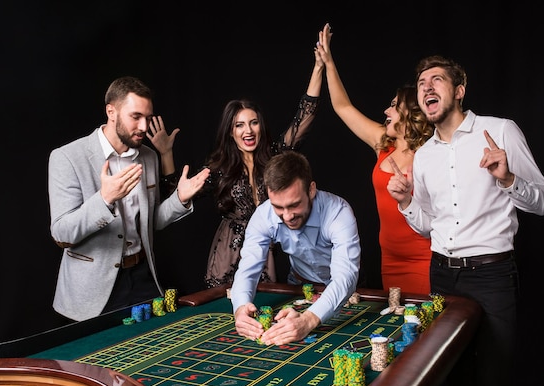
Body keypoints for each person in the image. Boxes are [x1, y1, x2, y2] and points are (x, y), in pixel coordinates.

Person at [387, 55, 544, 386]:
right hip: (443, 276)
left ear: (459, 90)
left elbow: (543, 202)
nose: (426, 87)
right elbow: (428, 225)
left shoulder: (500, 131)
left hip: (492, 276)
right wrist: (406, 203)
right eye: (421, 83)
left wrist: (508, 179)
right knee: (455, 382)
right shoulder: (425, 155)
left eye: (437, 80)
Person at [48, 76, 210, 322]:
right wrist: (105, 199)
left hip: (143, 277)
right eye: (136, 117)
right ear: (111, 112)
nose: (144, 126)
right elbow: (62, 233)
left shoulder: (148, 157)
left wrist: (180, 199)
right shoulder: (67, 157)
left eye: (147, 117)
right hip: (93, 290)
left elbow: (151, 222)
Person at [316, 23, 433, 294]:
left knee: (426, 328)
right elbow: (343, 107)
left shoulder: (432, 153)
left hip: (424, 258)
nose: (386, 110)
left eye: (394, 105)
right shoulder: (384, 144)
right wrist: (329, 63)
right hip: (390, 258)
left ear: (410, 113)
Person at [202, 45, 325, 289]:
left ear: (261, 125)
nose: (248, 131)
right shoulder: (219, 167)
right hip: (227, 257)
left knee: (263, 315)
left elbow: (304, 117)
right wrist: (165, 154)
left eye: (253, 123)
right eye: (239, 125)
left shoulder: (274, 157)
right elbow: (180, 192)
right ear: (230, 131)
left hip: (264, 256)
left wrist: (319, 67)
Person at [230, 151, 361, 345]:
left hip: (344, 291)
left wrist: (308, 319)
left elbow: (345, 277)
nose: (287, 215)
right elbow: (248, 268)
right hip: (299, 285)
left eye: (294, 205)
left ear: (311, 190)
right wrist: (240, 307)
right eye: (278, 207)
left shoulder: (338, 211)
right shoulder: (264, 215)